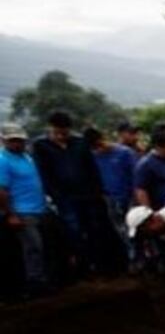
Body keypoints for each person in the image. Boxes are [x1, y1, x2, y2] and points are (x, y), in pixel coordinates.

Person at [31, 111, 114, 274]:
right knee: (73, 231)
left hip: (88, 194)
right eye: (57, 132)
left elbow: (92, 168)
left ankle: (99, 265)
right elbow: (44, 173)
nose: (61, 136)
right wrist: (55, 195)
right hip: (64, 198)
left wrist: (98, 190)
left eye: (65, 132)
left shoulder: (79, 143)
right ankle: (82, 267)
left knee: (94, 229)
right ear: (50, 129)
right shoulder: (41, 146)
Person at [0, 124, 50, 294]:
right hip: (22, 211)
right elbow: (2, 190)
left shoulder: (27, 157)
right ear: (4, 141)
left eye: (20, 140)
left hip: (39, 208)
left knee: (41, 246)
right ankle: (35, 282)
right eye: (13, 141)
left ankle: (42, 278)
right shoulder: (2, 160)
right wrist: (11, 214)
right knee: (33, 247)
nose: (17, 144)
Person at [85, 127, 136, 265]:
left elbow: (135, 177)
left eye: (100, 144)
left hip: (130, 197)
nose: (99, 148)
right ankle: (132, 258)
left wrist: (134, 197)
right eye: (95, 147)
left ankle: (144, 257)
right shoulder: (94, 157)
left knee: (135, 228)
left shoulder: (125, 153)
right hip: (110, 198)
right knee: (120, 229)